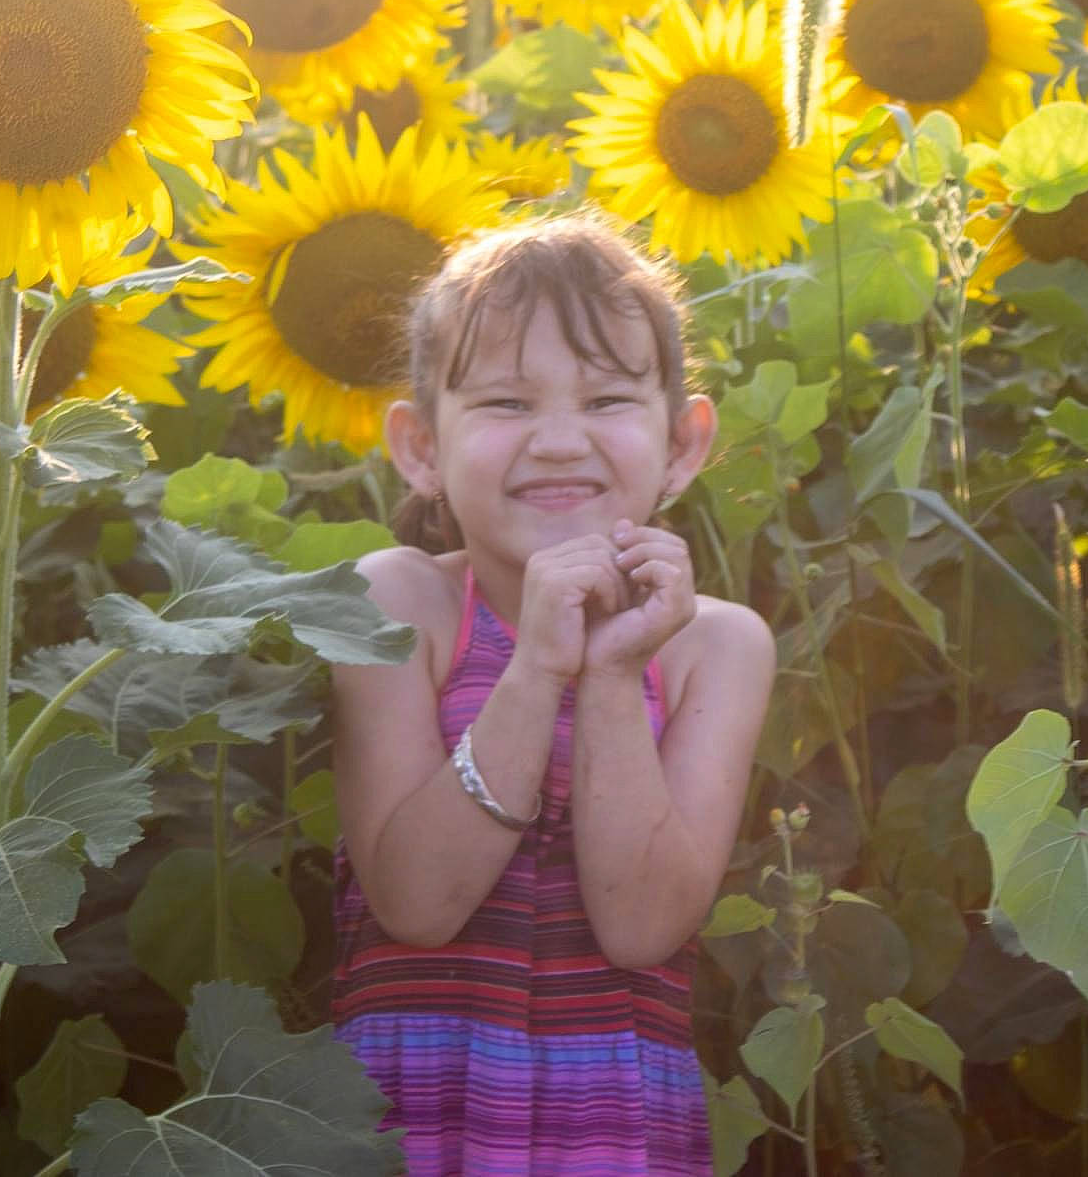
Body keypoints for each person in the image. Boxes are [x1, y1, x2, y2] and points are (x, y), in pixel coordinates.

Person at [327, 213, 777, 1176]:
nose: (562, 441)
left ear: (682, 444)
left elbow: (643, 925)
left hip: (609, 1122)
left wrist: (611, 671)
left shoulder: (716, 647)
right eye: (504, 402)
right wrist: (535, 667)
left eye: (610, 398)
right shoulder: (400, 602)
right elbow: (415, 899)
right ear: (420, 448)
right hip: (412, 1108)